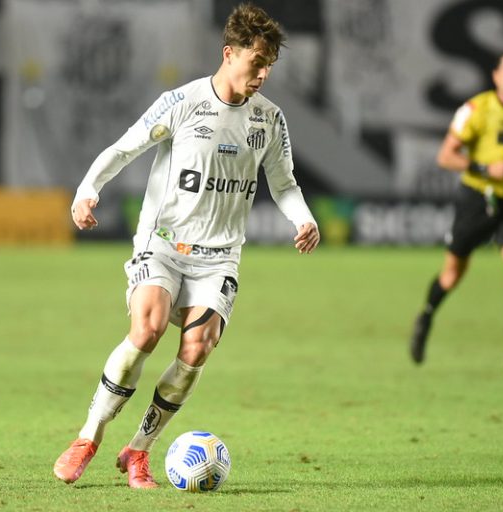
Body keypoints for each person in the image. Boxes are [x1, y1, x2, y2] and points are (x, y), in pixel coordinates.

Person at [53, 3, 320, 489]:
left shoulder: (269, 120)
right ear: (229, 53)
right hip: (164, 244)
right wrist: (87, 189)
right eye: (256, 62)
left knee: (198, 347)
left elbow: (284, 184)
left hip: (219, 257)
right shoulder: (183, 101)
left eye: (269, 66)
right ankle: (88, 436)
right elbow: (124, 147)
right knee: (148, 330)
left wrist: (303, 218)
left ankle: (138, 450)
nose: (262, 74)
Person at [410, 48, 503, 374]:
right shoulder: (476, 110)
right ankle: (426, 316)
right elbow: (446, 157)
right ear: (497, 76)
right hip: (477, 199)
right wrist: (485, 168)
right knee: (453, 274)